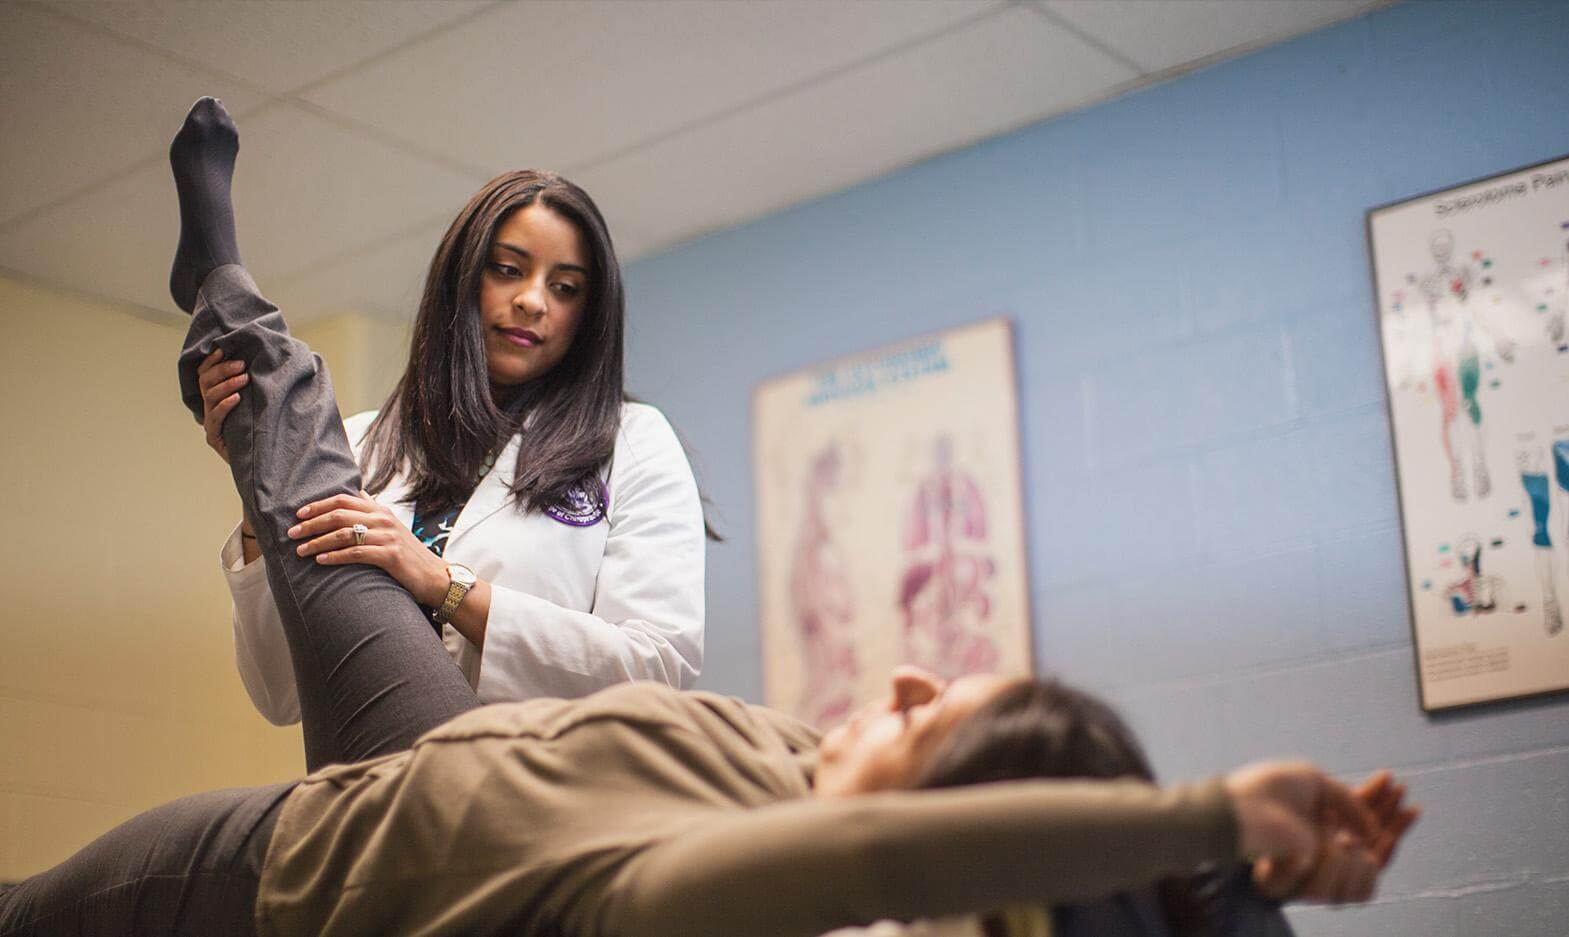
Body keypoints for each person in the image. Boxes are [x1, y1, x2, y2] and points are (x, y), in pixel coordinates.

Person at [0, 99, 1417, 937]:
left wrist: (1211, 810)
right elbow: (271, 676)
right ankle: (233, 335)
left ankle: (236, 329)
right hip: (418, 758)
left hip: (336, 867)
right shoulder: (785, 766)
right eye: (506, 273)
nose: (906, 681)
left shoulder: (723, 888)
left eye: (935, 723)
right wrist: (1217, 871)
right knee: (301, 445)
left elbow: (873, 835)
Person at [191, 126, 707, 769]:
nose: (532, 300)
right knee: (296, 440)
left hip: (530, 791)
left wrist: (443, 585)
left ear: (588, 317)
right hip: (370, 784)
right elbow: (280, 692)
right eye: (509, 270)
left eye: (566, 287)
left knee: (292, 426)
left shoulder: (633, 442)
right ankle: (243, 361)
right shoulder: (356, 443)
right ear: (462, 282)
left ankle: (221, 285)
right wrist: (254, 503)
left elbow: (657, 671)